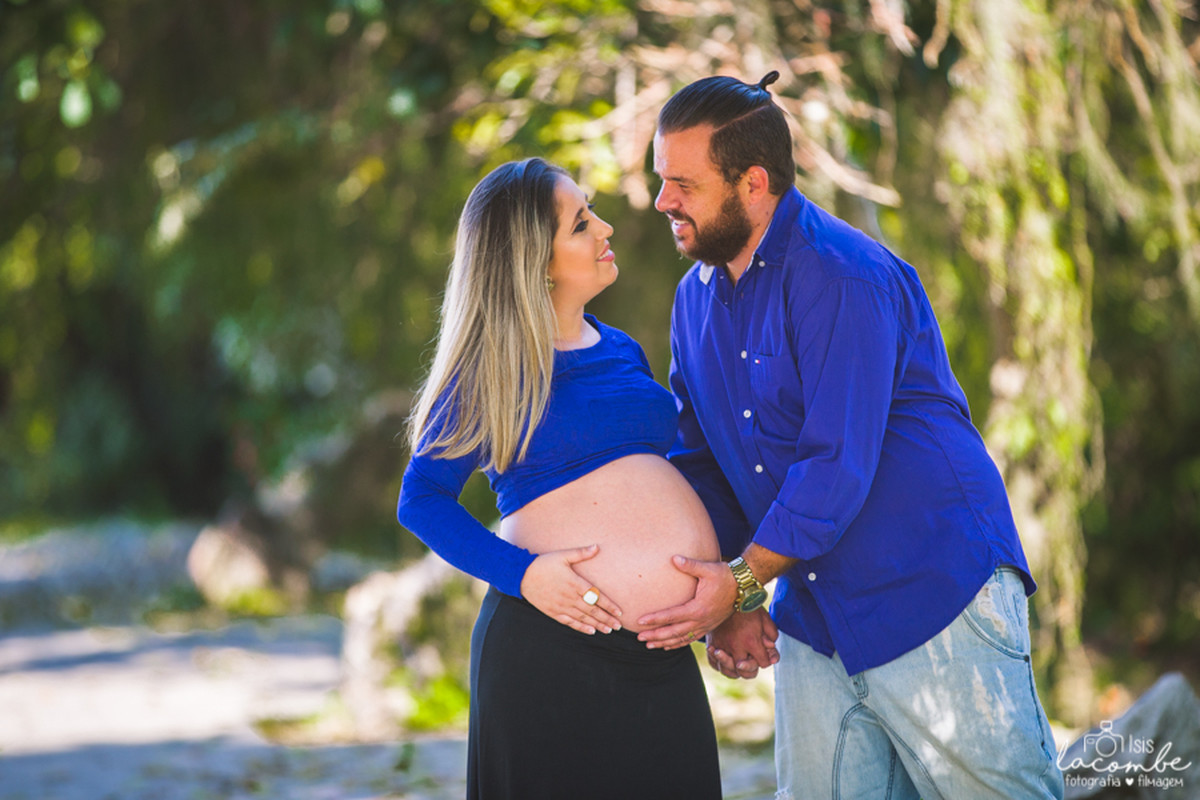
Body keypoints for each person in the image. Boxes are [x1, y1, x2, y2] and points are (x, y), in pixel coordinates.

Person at [634, 72, 1066, 799]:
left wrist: (740, 580)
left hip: (934, 591)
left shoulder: (842, 275)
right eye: (660, 179)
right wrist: (739, 601)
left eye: (683, 183)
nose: (661, 201)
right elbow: (704, 461)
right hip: (816, 618)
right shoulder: (693, 303)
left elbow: (834, 467)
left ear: (754, 183)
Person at [396, 157, 725, 799]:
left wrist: (728, 590)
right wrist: (522, 573)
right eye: (581, 223)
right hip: (550, 653)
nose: (605, 228)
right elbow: (422, 499)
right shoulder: (491, 369)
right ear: (535, 261)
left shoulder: (621, 347)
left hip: (659, 659)